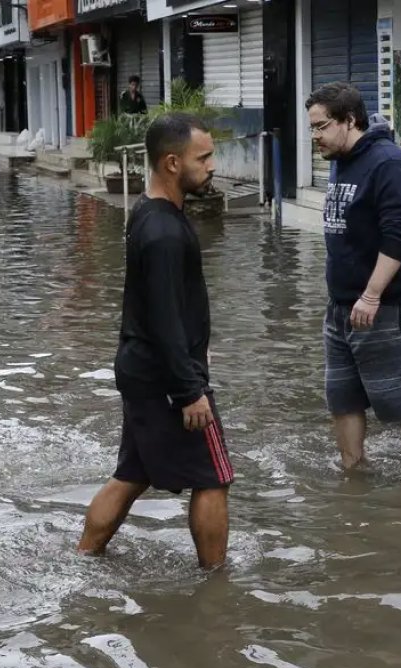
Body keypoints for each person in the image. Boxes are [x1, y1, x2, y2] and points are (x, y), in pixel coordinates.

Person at [78, 113, 231, 570]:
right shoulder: (163, 231)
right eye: (202, 158)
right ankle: (215, 582)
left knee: (131, 473)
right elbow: (164, 318)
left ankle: (84, 559)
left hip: (143, 370)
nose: (212, 166)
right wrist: (190, 390)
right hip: (167, 379)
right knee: (214, 477)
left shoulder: (148, 212)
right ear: (171, 163)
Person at [307, 81, 401, 468]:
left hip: (388, 306)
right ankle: (353, 471)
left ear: (349, 120)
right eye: (312, 128)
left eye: (320, 127)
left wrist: (371, 294)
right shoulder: (340, 160)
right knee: (343, 398)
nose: (314, 136)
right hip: (341, 307)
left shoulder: (388, 163)